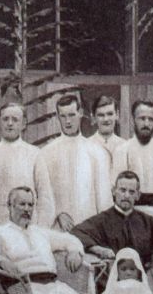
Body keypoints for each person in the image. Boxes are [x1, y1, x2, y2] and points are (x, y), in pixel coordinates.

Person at [70, 171, 153, 294]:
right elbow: (76, 232)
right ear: (114, 191)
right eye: (122, 190)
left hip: (144, 283)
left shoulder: (145, 220)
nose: (126, 195)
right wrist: (97, 249)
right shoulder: (102, 220)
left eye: (131, 192)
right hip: (110, 285)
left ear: (138, 195)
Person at [37, 91, 112, 231]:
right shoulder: (46, 153)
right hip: (58, 226)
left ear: (81, 113)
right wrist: (58, 213)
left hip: (89, 226)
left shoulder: (97, 152)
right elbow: (43, 193)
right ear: (58, 117)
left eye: (71, 115)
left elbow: (104, 198)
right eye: (63, 116)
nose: (68, 121)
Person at [0, 102, 51, 231]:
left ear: (24, 123)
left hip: (28, 225)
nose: (10, 123)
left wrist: (41, 230)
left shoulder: (34, 154)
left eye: (15, 119)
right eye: (5, 119)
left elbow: (45, 196)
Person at [111, 99, 153, 225]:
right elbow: (116, 191)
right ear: (133, 120)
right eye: (142, 118)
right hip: (129, 216)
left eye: (151, 119)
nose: (146, 123)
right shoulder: (122, 150)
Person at [89, 94, 127, 159]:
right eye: (101, 115)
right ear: (94, 118)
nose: (106, 119)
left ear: (117, 115)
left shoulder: (126, 147)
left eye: (110, 114)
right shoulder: (86, 146)